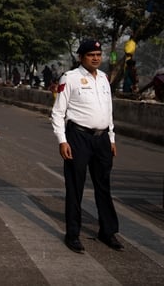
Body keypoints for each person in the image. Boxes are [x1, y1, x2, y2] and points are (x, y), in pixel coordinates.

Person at [51, 39, 123, 254]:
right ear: (81, 57)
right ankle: (73, 234)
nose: (96, 58)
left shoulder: (103, 78)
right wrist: (62, 140)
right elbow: (57, 112)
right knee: (75, 187)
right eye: (91, 54)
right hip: (78, 137)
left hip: (101, 140)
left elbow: (108, 111)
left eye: (98, 54)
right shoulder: (70, 78)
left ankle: (107, 232)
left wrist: (111, 138)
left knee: (103, 186)